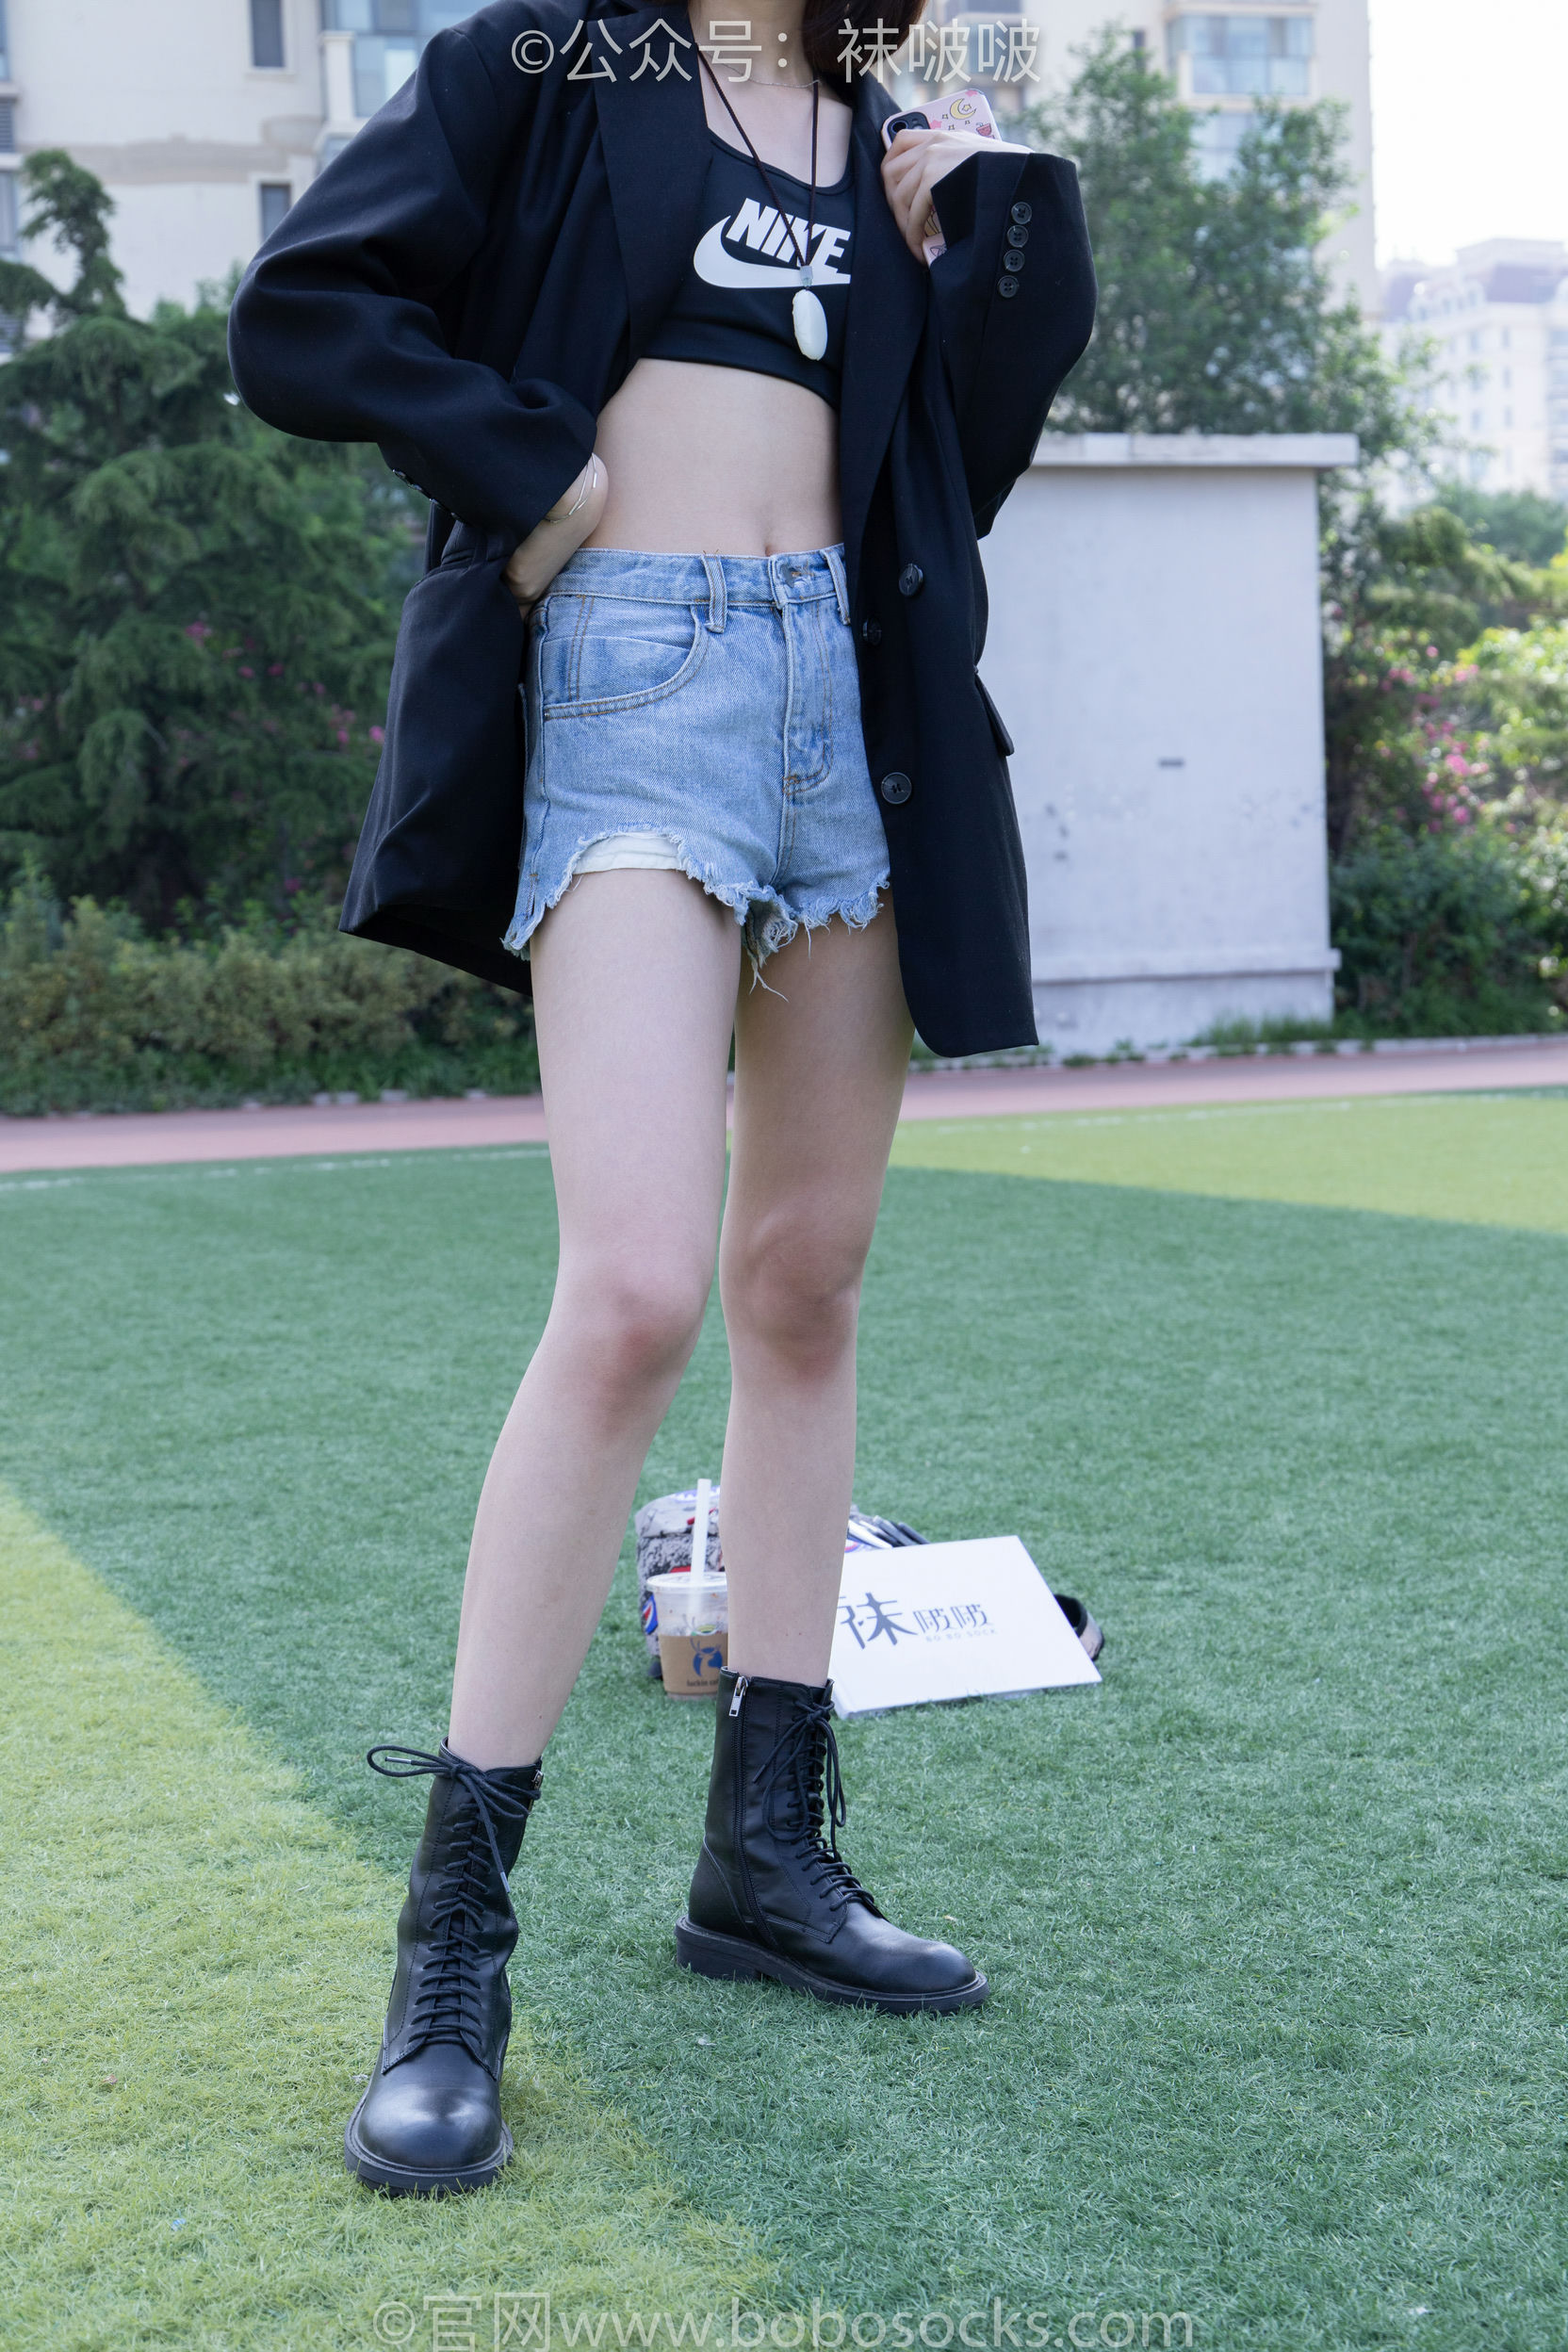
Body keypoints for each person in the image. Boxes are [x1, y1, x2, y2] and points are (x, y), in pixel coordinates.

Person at [228, 0, 1093, 2198]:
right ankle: (451, 1953)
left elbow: (954, 467)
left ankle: (766, 1861)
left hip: (850, 703)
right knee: (629, 1292)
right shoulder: (552, 69)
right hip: (635, 680)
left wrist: (991, 229)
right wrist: (537, 474)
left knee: (803, 1278)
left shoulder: (880, 131)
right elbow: (301, 313)